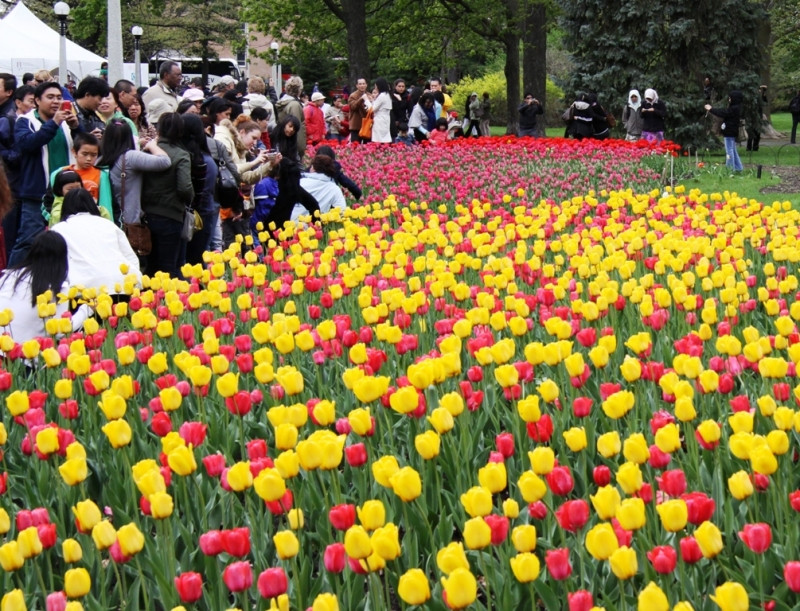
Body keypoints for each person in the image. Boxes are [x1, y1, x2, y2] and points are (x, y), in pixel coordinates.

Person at [10, 82, 80, 266]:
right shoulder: (25, 121)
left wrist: (76, 128)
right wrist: (54, 123)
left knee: (67, 242)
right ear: (37, 101)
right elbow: (28, 144)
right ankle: (10, 283)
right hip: (37, 194)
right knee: (27, 241)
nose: (56, 101)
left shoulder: (65, 123)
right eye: (50, 97)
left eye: (59, 97)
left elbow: (84, 149)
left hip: (66, 194)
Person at [0, 231, 90, 343]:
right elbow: (60, 331)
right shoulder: (57, 288)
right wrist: (87, 309)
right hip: (28, 356)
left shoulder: (7, 276)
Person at [51, 188, 140, 291]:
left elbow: (54, 266)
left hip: (82, 289)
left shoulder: (59, 229)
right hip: (121, 284)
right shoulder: (108, 224)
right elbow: (130, 257)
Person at [142, 113, 194, 276]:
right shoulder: (181, 155)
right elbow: (185, 187)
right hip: (171, 215)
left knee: (149, 266)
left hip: (146, 215)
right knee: (168, 266)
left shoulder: (147, 150)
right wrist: (190, 198)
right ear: (180, 131)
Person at [214, 117, 278, 247]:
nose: (255, 143)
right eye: (253, 138)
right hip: (225, 206)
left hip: (236, 204)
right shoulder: (224, 141)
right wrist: (255, 161)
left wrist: (270, 165)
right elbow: (230, 171)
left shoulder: (241, 149)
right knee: (229, 245)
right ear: (242, 132)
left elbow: (247, 177)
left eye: (257, 140)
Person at [99, 120, 171, 229]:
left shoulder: (99, 160)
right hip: (128, 221)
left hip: (105, 219)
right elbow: (164, 162)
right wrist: (152, 145)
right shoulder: (130, 157)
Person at [268, 115, 318, 234]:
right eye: (290, 126)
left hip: (292, 182)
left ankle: (317, 230)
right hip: (280, 182)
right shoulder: (273, 137)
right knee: (281, 215)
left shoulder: (291, 142)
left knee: (313, 205)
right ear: (284, 123)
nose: (291, 130)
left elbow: (296, 161)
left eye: (294, 129)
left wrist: (305, 171)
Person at [0, 85, 35, 261]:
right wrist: (17, 155)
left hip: (27, 185)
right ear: (18, 102)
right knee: (13, 235)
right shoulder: (9, 121)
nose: (34, 105)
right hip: (13, 185)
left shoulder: (37, 124)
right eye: (31, 101)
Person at [181, 114, 217, 264]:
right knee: (196, 260)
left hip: (194, 217)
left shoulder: (188, 159)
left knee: (190, 262)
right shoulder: (207, 159)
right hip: (206, 214)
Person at [294, 154, 346, 221]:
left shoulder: (300, 182)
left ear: (314, 169)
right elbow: (342, 211)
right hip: (314, 226)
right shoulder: (334, 189)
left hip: (291, 225)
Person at [705, 90, 744, 173]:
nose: (729, 100)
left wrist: (711, 109)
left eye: (730, 98)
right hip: (731, 131)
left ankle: (730, 169)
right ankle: (738, 167)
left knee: (729, 150)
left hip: (730, 131)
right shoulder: (735, 108)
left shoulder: (734, 108)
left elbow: (723, 113)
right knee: (732, 149)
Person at [275, 76, 307, 157]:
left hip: (284, 144)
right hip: (292, 147)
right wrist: (301, 149)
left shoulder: (283, 102)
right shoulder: (294, 105)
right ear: (299, 90)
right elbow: (297, 128)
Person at [370, 78, 393, 143]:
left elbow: (372, 109)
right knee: (384, 138)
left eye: (376, 86)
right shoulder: (387, 95)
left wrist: (366, 100)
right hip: (385, 119)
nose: (375, 88)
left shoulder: (382, 95)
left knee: (379, 139)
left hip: (380, 119)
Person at [747, 85, 768, 152]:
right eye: (758, 90)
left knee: (757, 133)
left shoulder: (760, 98)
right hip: (751, 117)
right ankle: (749, 147)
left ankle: (755, 147)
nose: (759, 91)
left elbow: (765, 101)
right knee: (751, 133)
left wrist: (764, 91)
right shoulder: (751, 98)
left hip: (758, 117)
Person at [348, 78, 369, 143]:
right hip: (356, 126)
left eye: (363, 84)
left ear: (366, 85)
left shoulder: (369, 95)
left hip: (366, 125)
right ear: (357, 86)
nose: (362, 85)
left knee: (367, 146)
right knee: (355, 146)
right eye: (360, 84)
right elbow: (353, 107)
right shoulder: (353, 95)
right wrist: (361, 99)